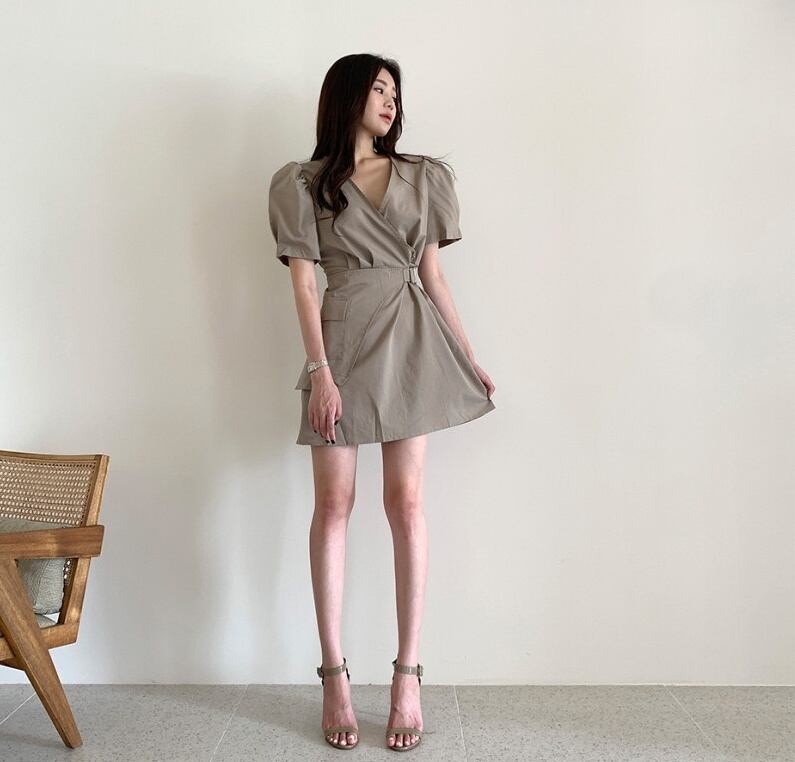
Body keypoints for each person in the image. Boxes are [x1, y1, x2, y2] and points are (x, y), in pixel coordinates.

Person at [268, 53, 497, 752]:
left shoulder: (424, 176)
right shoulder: (301, 182)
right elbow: (304, 285)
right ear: (346, 97)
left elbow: (434, 276)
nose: (390, 101)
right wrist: (320, 372)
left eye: (395, 91)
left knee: (406, 505)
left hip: (412, 340)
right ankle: (333, 676)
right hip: (340, 343)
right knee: (333, 506)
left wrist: (467, 355)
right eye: (377, 89)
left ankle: (406, 677)